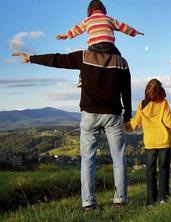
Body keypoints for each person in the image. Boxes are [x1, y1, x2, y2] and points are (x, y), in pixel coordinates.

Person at [12, 49, 132, 211]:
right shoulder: (121, 61)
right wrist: (127, 116)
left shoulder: (84, 56)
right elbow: (126, 90)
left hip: (89, 114)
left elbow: (57, 59)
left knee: (88, 159)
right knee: (118, 158)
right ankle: (120, 200)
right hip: (113, 114)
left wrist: (31, 58)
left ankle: (88, 203)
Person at [56, 0, 144, 87]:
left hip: (94, 48)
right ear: (103, 8)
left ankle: (82, 79)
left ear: (89, 10)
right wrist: (135, 32)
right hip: (109, 46)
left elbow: (77, 29)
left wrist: (66, 35)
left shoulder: (87, 20)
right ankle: (120, 75)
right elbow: (123, 27)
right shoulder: (109, 19)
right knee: (119, 58)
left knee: (85, 61)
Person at [129, 79, 171, 206]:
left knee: (150, 171)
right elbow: (169, 121)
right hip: (164, 142)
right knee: (164, 170)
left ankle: (151, 201)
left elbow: (135, 123)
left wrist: (124, 126)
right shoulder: (163, 103)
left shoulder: (141, 105)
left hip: (150, 143)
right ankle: (163, 198)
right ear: (160, 90)